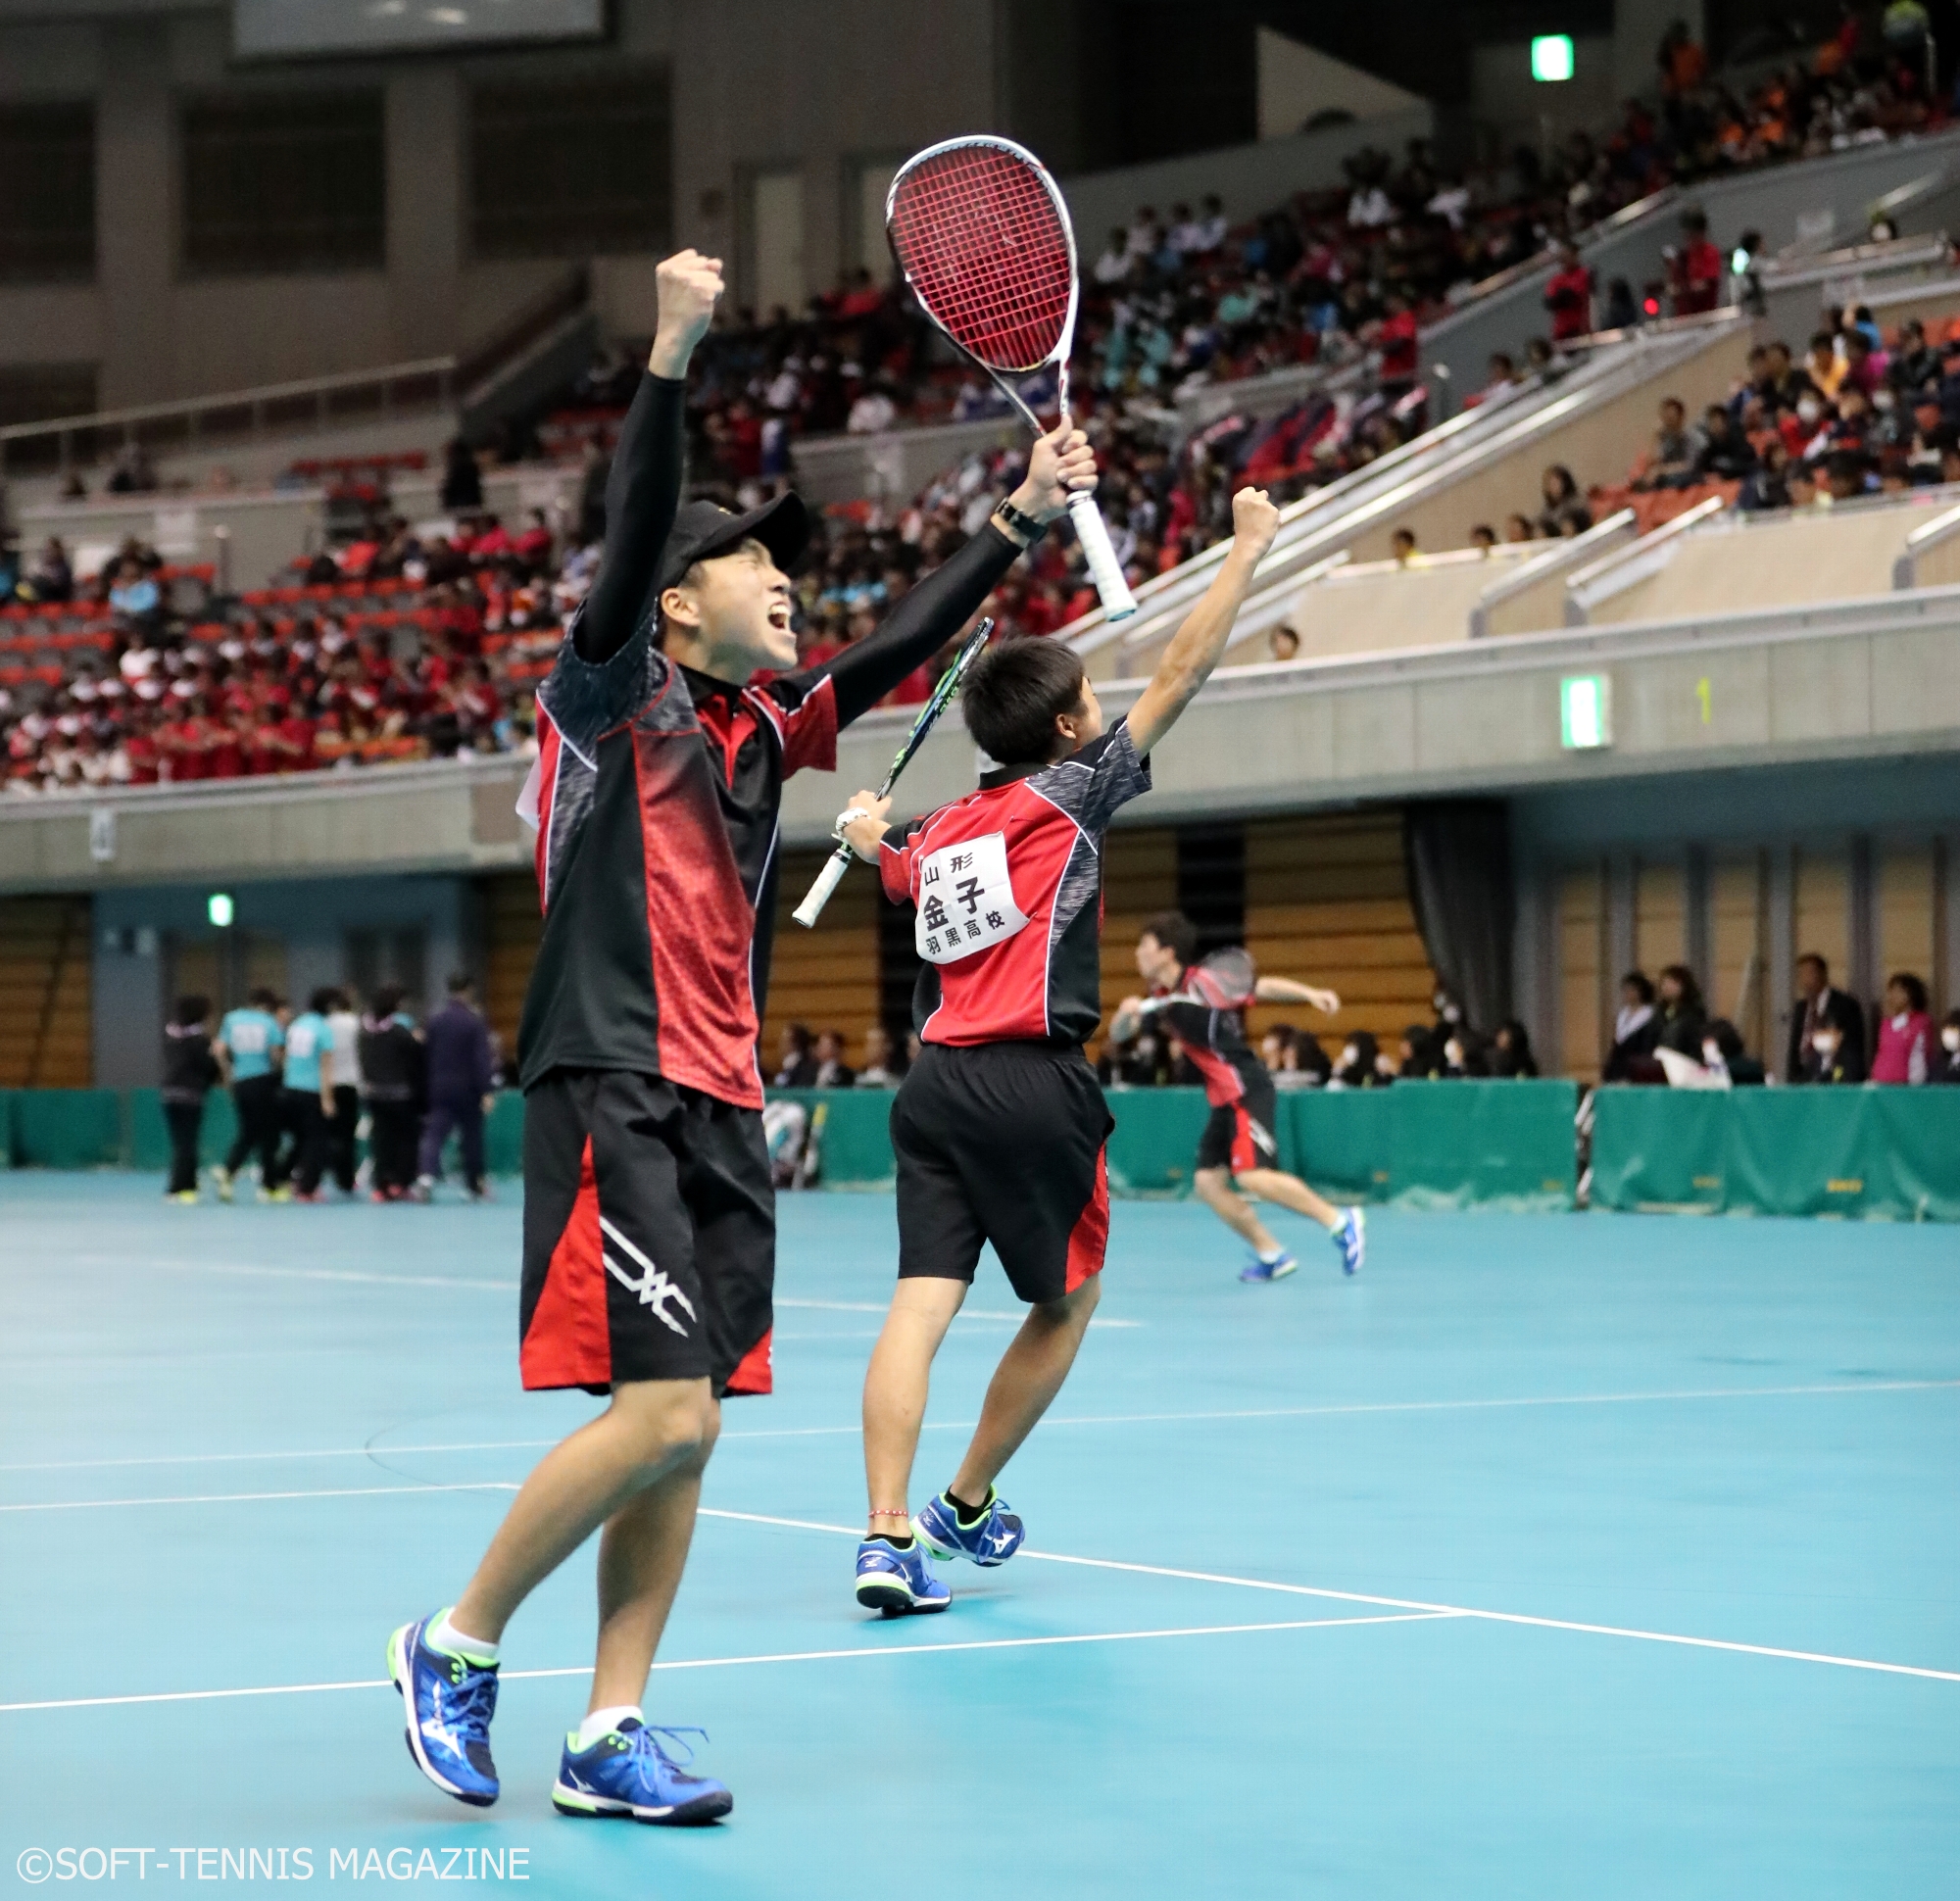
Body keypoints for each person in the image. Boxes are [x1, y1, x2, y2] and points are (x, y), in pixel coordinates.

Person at [387, 248, 1100, 1821]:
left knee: (686, 1437)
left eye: (789, 563)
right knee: (663, 1410)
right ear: (676, 600)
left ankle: (607, 1733)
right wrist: (670, 356)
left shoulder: (769, 729)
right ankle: (454, 1641)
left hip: (721, 1094)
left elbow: (905, 645)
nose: (786, 579)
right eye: (753, 563)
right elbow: (635, 528)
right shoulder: (609, 696)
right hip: (616, 1078)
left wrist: (1019, 522)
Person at [838, 484, 1283, 1617]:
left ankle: (885, 1534)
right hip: (1033, 1084)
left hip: (929, 1086)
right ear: (1071, 729)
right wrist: (1243, 553)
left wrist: (862, 833)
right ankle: (966, 1498)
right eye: (1092, 695)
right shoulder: (1070, 795)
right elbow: (1181, 671)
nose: (1104, 704)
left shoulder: (938, 832)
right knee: (1065, 1302)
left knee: (916, 1308)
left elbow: (890, 863)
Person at [1112, 912, 1363, 1284]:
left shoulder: (1205, 982)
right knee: (1208, 1184)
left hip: (1246, 1088)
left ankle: (1341, 1222)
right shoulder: (1160, 997)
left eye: (1144, 946)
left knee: (1252, 1177)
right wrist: (1124, 1014)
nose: (1136, 953)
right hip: (1221, 1098)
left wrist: (1310, 994)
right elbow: (1119, 1035)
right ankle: (1271, 1253)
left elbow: (1260, 987)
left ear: (1166, 952)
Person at [416, 973, 497, 1199]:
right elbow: (481, 1058)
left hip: (439, 1086)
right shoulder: (474, 1021)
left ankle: (425, 1178)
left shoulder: (435, 1020)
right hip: (468, 1089)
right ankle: (474, 1185)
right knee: (471, 1136)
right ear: (469, 990)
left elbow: (425, 1053)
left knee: (434, 1134)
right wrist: (486, 1090)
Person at [212, 987, 284, 1202]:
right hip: (263, 1081)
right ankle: (267, 1186)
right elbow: (276, 1054)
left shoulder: (231, 1019)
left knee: (249, 1130)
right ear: (267, 1006)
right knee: (269, 1134)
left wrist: (227, 1076)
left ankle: (229, 1173)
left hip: (240, 1082)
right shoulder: (269, 1022)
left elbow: (219, 1051)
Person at [360, 985, 423, 1199]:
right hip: (401, 1095)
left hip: (375, 1094)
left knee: (381, 1141)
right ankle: (401, 1183)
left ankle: (381, 1185)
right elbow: (416, 1060)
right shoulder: (400, 1032)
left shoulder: (365, 1032)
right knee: (406, 1140)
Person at [273, 991, 337, 1200]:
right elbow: (325, 1066)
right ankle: (308, 1188)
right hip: (312, 1092)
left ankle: (281, 1177)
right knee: (316, 1141)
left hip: (290, 1090)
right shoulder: (323, 1030)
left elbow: (285, 1056)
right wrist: (328, 1100)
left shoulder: (297, 1025)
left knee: (299, 1140)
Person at [160, 995, 221, 1202]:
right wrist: (216, 1057)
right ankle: (178, 1188)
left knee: (181, 1142)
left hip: (169, 1094)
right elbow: (208, 1069)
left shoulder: (173, 1038)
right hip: (190, 1096)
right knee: (187, 1143)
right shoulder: (200, 1041)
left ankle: (189, 1184)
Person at [1786, 952, 1867, 1083]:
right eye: (1800, 974)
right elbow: (1794, 1047)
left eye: (1808, 973)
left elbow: (1852, 1047)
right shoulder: (1800, 1008)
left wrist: (1850, 1079)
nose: (1804, 979)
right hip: (1803, 1076)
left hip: (1833, 1075)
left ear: (1822, 974)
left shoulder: (1845, 1005)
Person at [324, 987, 364, 1195]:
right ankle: (346, 1179)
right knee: (348, 1135)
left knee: (330, 1134)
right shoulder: (355, 1024)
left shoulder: (325, 1024)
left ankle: (332, 1172)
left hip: (327, 1085)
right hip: (349, 1083)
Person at [1870, 972, 1933, 1084]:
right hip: (1881, 1085)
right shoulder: (1886, 1024)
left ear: (1909, 995)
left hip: (1905, 1087)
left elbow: (1919, 1058)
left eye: (1897, 991)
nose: (1891, 996)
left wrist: (1914, 1090)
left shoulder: (1920, 1023)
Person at [1604, 971, 1661, 1080]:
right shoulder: (1622, 1015)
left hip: (1638, 1065)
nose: (1628, 993)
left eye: (1632, 990)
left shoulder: (1649, 1016)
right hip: (1619, 1066)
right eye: (1625, 990)